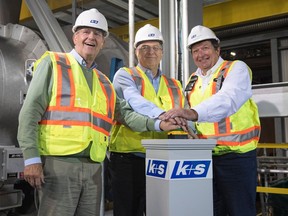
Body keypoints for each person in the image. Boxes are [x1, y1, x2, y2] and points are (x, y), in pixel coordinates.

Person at [17, 9, 180, 216]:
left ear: (103, 41)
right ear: (75, 36)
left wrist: (159, 124)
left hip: (94, 167)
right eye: (86, 31)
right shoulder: (54, 64)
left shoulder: (104, 81)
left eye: (98, 34)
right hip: (59, 165)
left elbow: (125, 115)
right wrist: (31, 159)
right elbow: (29, 113)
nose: (91, 37)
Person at [161, 25, 261, 216]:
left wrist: (191, 113)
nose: (200, 54)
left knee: (240, 211)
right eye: (195, 51)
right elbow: (191, 118)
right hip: (205, 158)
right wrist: (183, 123)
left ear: (217, 49)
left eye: (205, 48)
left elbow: (227, 100)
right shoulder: (192, 80)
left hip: (236, 158)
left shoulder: (235, 69)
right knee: (211, 210)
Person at [108, 24, 191, 216]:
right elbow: (131, 109)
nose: (150, 52)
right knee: (128, 211)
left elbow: (185, 114)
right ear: (136, 51)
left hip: (161, 159)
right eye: (144, 47)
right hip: (129, 158)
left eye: (155, 47)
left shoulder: (174, 84)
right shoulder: (125, 76)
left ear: (162, 52)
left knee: (160, 210)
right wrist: (162, 118)